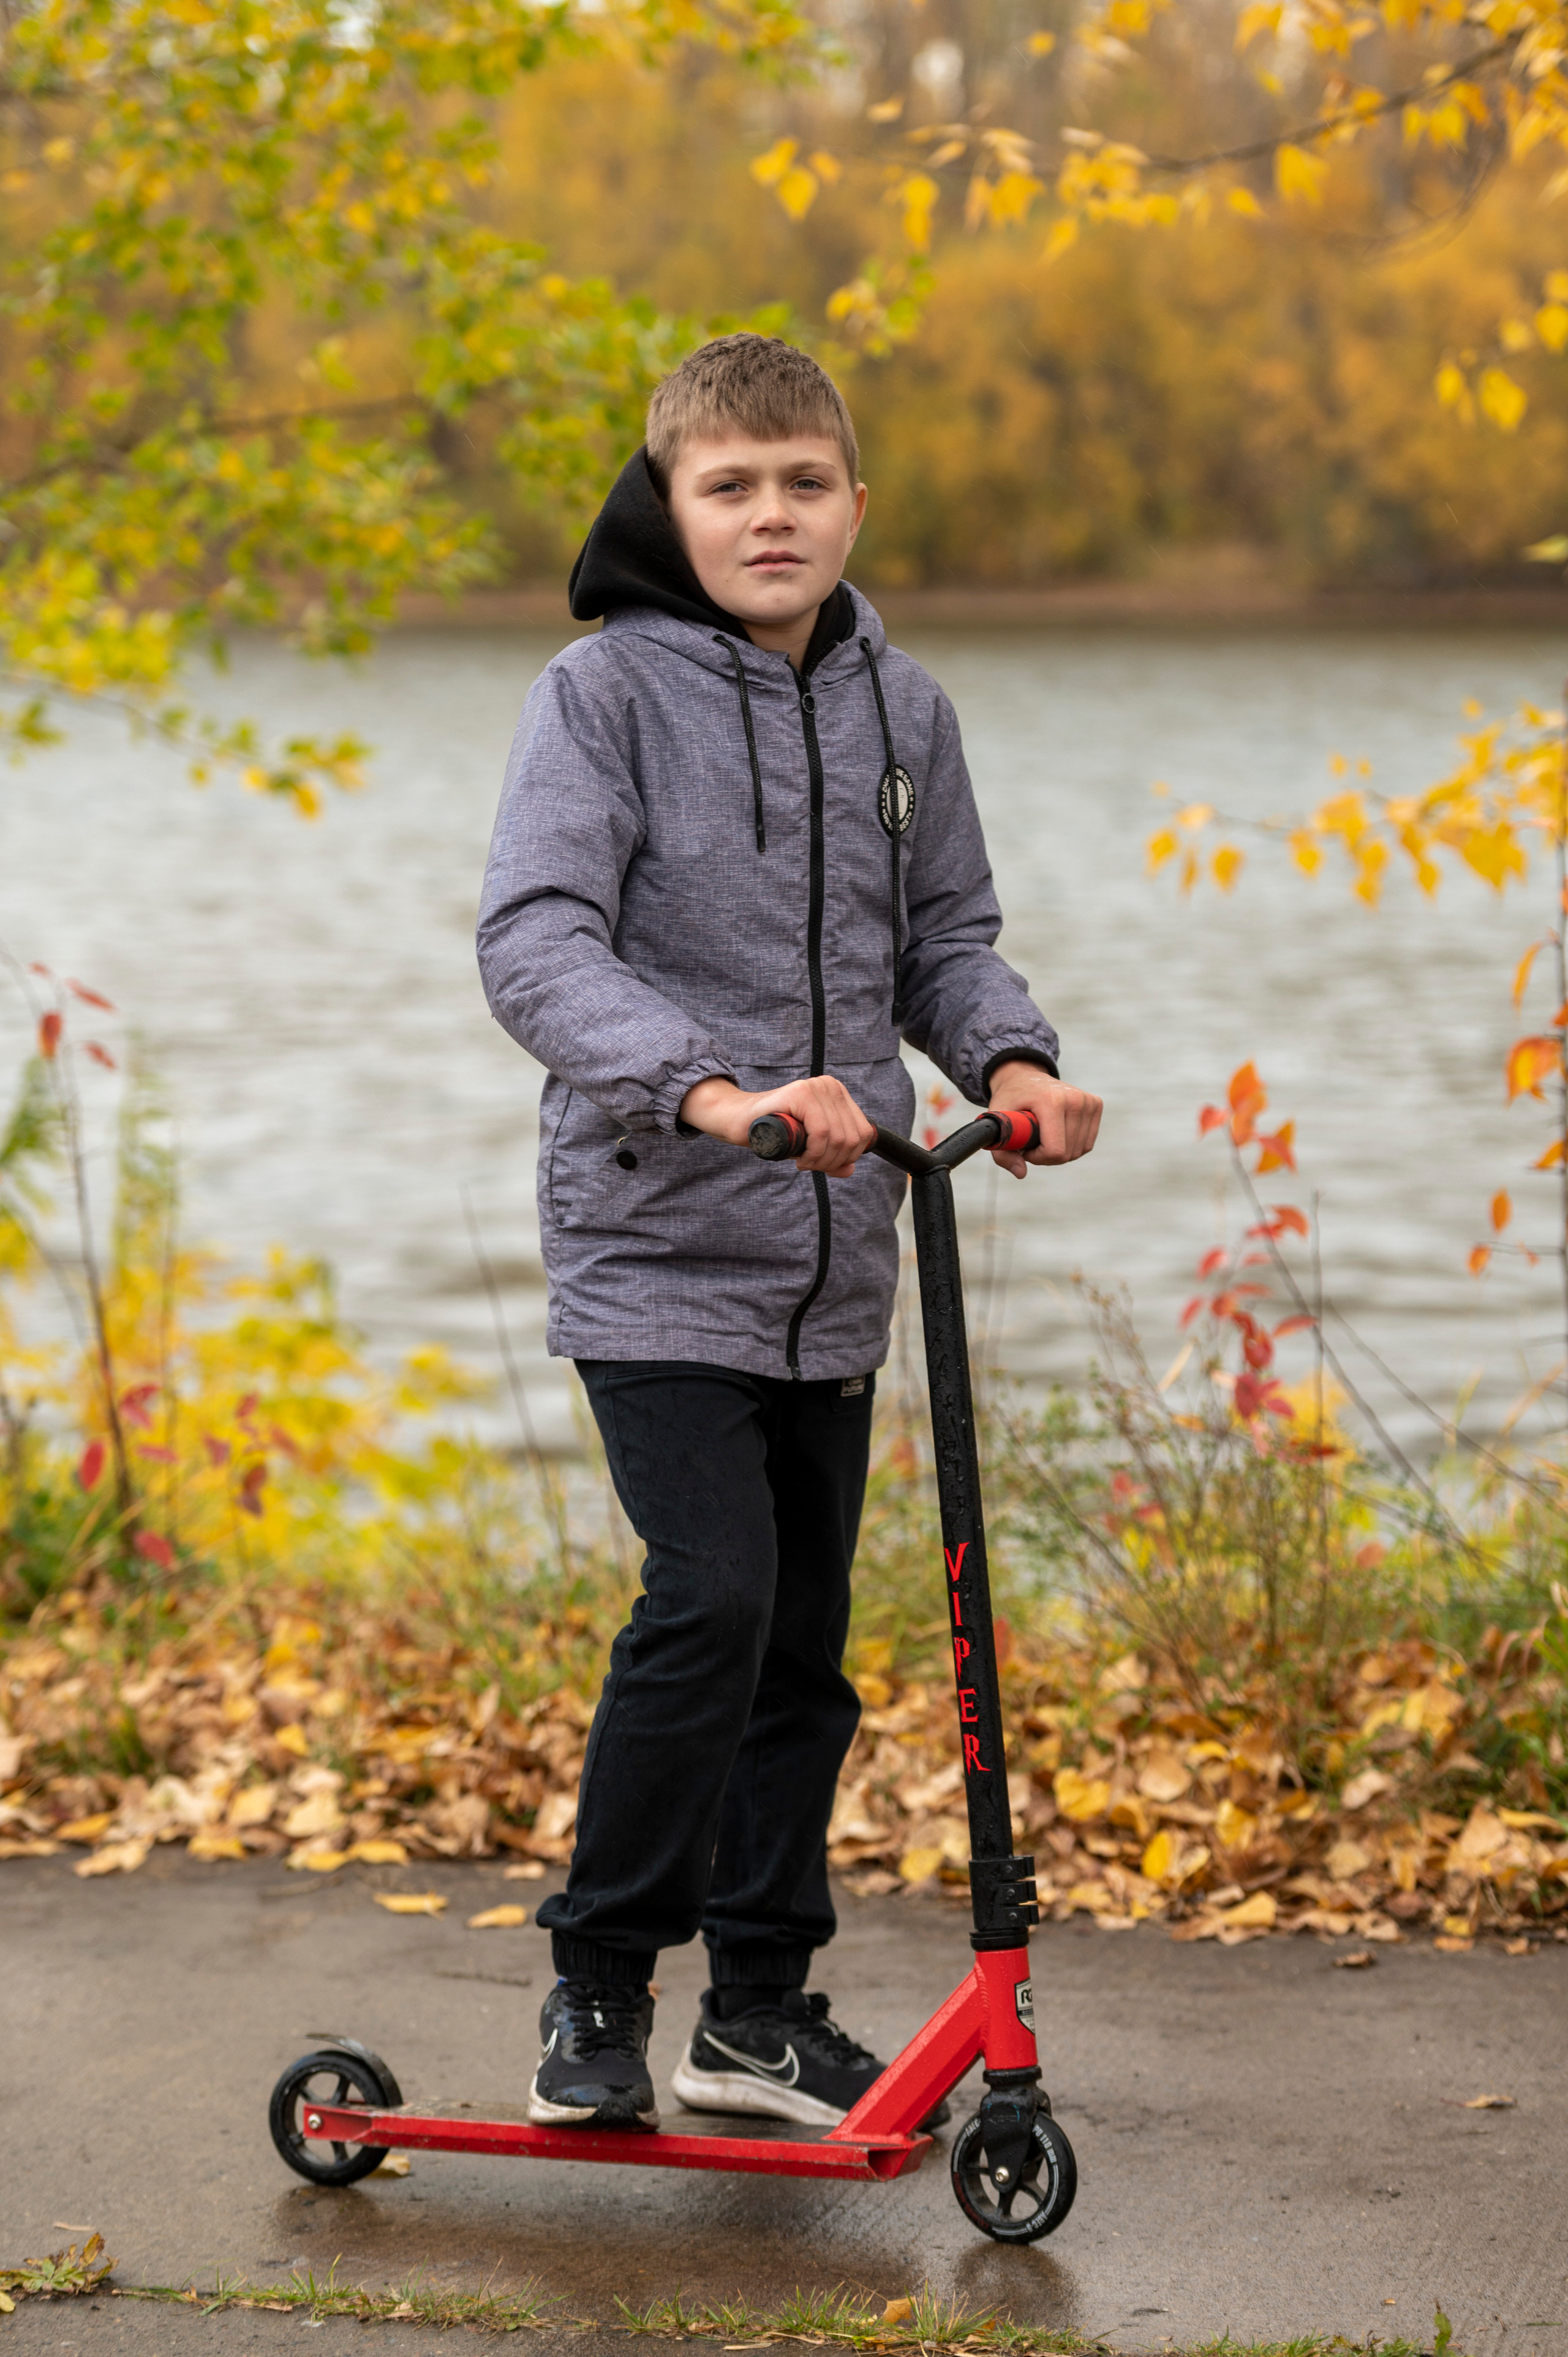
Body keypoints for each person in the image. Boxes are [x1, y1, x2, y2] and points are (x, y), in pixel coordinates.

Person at [477, 333, 1101, 2135]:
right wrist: (711, 1090)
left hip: (838, 1258)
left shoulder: (904, 711)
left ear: (854, 504)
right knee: (714, 1598)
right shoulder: (603, 697)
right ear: (668, 507)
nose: (772, 515)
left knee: (804, 1651)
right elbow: (534, 944)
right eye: (730, 486)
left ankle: (755, 2014)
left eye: (804, 483)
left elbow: (944, 938)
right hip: (658, 1241)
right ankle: (598, 1986)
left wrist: (1012, 1059)